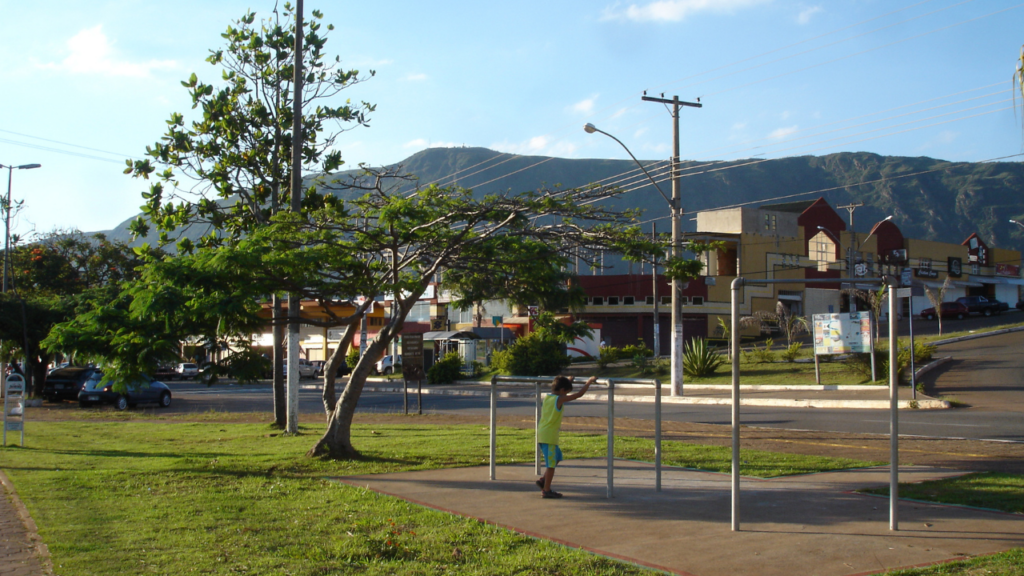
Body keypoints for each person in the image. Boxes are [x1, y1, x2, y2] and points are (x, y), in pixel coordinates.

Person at [535, 374, 597, 498]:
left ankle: (544, 480)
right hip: (549, 436)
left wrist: (568, 380)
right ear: (563, 391)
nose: (567, 395)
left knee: (557, 457)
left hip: (545, 434)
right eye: (566, 392)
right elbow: (578, 395)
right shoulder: (559, 399)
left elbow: (562, 390)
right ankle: (546, 490)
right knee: (551, 465)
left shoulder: (549, 397)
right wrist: (589, 382)